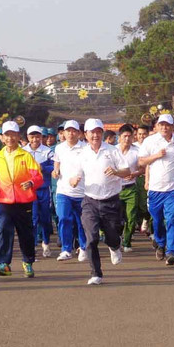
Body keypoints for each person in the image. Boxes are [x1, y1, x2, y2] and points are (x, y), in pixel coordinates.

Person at [73, 119, 129, 285]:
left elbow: (126, 171)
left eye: (98, 132)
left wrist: (116, 172)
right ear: (86, 134)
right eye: (92, 132)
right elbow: (75, 175)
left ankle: (115, 246)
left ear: (102, 133)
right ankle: (96, 273)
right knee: (91, 238)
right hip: (90, 201)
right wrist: (73, 180)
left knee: (112, 236)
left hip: (110, 201)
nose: (95, 135)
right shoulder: (82, 154)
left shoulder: (112, 151)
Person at [0, 121, 42, 277]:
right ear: (2, 137)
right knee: (3, 230)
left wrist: (31, 182)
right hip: (4, 200)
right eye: (7, 135)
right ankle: (4, 264)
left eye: (13, 135)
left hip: (24, 200)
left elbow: (38, 176)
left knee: (25, 233)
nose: (10, 138)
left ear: (18, 136)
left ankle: (28, 262)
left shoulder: (26, 155)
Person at [138, 114, 174, 266]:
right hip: (155, 188)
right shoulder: (150, 141)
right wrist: (156, 156)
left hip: (173, 188)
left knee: (173, 217)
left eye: (167, 125)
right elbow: (141, 162)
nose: (164, 127)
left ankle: (171, 251)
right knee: (157, 219)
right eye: (162, 125)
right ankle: (160, 242)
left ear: (173, 127)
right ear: (157, 126)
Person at [52, 120, 88, 261]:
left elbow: (88, 167)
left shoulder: (85, 148)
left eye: (74, 131)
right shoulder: (59, 148)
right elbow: (57, 163)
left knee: (81, 222)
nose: (70, 134)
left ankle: (83, 247)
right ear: (64, 133)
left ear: (79, 133)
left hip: (82, 192)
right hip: (63, 191)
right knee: (63, 219)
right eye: (68, 131)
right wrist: (55, 171)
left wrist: (78, 177)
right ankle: (66, 249)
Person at [22, 125, 54, 258]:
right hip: (29, 190)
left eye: (37, 136)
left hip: (44, 189)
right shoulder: (23, 151)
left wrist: (43, 167)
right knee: (33, 219)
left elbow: (54, 166)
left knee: (45, 219)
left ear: (41, 137)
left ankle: (46, 243)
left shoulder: (47, 151)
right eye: (32, 137)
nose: (35, 139)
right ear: (28, 137)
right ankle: (33, 245)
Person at [116, 124, 142, 252]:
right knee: (115, 217)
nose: (127, 139)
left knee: (131, 217)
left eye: (129, 136)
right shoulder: (113, 151)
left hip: (131, 188)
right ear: (119, 137)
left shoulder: (137, 151)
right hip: (115, 189)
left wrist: (134, 174)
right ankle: (116, 237)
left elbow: (143, 169)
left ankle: (127, 242)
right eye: (124, 136)